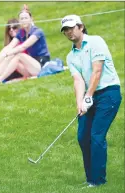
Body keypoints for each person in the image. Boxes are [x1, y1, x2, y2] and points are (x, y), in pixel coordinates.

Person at [61, 14, 121, 188]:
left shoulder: (96, 41)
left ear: (80, 26)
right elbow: (78, 80)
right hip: (90, 95)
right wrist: (80, 103)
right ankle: (90, 179)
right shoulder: (70, 56)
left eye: (71, 28)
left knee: (96, 136)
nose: (69, 32)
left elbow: (97, 71)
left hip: (109, 93)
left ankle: (98, 180)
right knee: (82, 136)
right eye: (65, 30)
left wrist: (88, 96)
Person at [0, 4, 50, 87]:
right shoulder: (21, 32)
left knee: (18, 55)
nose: (24, 20)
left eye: (26, 18)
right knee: (10, 57)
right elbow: (10, 46)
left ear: (31, 19)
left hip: (41, 65)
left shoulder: (37, 32)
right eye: (22, 19)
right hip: (30, 67)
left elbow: (23, 47)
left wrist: (5, 55)